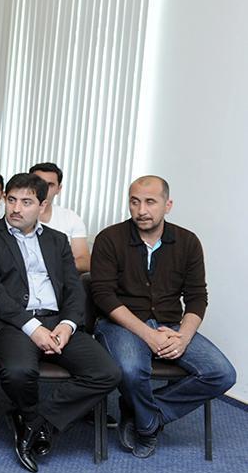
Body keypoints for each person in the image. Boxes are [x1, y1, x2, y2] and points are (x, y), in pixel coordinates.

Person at [0, 173, 120, 473]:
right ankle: (31, 417)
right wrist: (33, 328)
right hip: (10, 322)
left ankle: (36, 422)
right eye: (12, 200)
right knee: (18, 371)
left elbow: (74, 289)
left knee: (107, 373)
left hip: (56, 320)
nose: (16, 208)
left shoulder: (57, 240)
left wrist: (67, 325)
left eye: (26, 202)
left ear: (42, 205)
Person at [91, 176, 236, 458]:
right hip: (121, 324)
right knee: (131, 370)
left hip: (171, 325)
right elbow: (104, 297)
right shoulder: (110, 238)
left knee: (221, 374)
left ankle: (143, 412)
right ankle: (148, 427)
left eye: (150, 202)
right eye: (135, 202)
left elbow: (197, 296)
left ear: (167, 205)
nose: (141, 210)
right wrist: (148, 335)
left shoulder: (187, 241)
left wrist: (183, 337)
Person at [29, 162, 90, 272]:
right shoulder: (16, 214)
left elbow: (84, 262)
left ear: (58, 189)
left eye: (50, 185)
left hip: (59, 278)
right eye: (38, 183)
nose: (44, 188)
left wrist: (50, 265)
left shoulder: (71, 218)